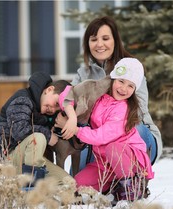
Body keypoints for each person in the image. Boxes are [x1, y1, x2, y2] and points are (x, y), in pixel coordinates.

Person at [67, 16, 162, 172]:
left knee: (131, 127)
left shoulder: (132, 69)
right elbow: (68, 98)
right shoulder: (83, 74)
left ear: (115, 41)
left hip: (136, 135)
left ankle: (133, 180)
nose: (99, 44)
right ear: (87, 43)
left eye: (105, 38)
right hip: (96, 139)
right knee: (79, 173)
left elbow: (137, 111)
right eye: (93, 39)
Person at [67, 58, 154, 201]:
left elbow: (100, 137)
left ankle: (131, 190)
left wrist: (76, 130)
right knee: (76, 185)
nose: (124, 88)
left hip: (128, 161)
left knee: (113, 148)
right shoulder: (99, 98)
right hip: (104, 165)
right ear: (113, 79)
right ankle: (114, 187)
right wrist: (70, 114)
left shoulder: (123, 108)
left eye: (130, 86)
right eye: (121, 81)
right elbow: (69, 94)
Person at [0, 71, 73, 186]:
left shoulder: (46, 113)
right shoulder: (23, 99)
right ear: (49, 89)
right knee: (38, 138)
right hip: (9, 159)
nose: (53, 109)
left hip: (32, 163)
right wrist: (48, 135)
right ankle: (30, 189)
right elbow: (19, 131)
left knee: (68, 184)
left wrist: (67, 121)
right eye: (55, 103)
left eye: (57, 109)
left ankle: (41, 190)